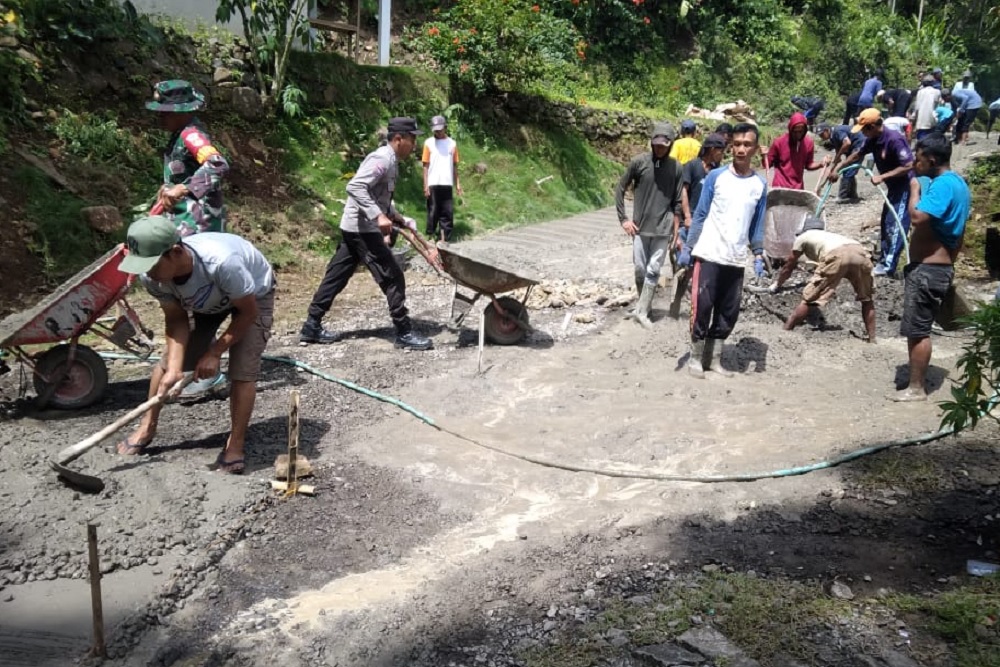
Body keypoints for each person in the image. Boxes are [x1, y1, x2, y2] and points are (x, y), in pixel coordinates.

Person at [115, 216, 276, 474]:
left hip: (251, 296)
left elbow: (248, 313)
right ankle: (147, 426)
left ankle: (235, 444)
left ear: (175, 252)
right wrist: (176, 369)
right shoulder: (152, 278)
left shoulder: (222, 263)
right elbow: (176, 319)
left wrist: (214, 353)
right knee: (167, 364)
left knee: (242, 370)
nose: (148, 272)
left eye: (152, 264)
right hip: (206, 302)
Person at [299, 117, 439, 350]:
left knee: (337, 275)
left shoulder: (391, 161)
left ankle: (311, 325)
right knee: (393, 276)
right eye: (412, 139)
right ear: (398, 139)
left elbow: (377, 195)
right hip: (363, 229)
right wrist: (378, 216)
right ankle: (404, 332)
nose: (414, 145)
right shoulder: (382, 159)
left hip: (354, 226)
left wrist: (395, 215)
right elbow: (354, 186)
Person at [677, 123, 767, 378]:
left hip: (736, 258)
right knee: (702, 308)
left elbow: (757, 223)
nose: (740, 149)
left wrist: (759, 252)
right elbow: (701, 214)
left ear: (755, 149)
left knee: (728, 312)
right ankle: (695, 359)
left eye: (746, 144)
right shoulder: (717, 178)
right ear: (731, 147)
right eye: (736, 144)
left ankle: (713, 359)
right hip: (709, 254)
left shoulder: (759, 185)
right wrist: (690, 247)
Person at [893, 134, 970, 402]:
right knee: (919, 327)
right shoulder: (956, 183)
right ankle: (917, 380)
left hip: (928, 271)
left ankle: (916, 388)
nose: (916, 161)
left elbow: (917, 217)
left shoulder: (943, 186)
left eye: (919, 156)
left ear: (932, 159)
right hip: (936, 268)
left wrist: (914, 189)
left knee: (917, 329)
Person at [615, 121, 683, 329]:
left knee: (653, 269)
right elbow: (620, 187)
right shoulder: (639, 163)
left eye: (664, 145)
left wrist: (677, 232)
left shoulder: (676, 168)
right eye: (656, 144)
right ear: (651, 143)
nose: (659, 148)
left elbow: (678, 201)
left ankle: (643, 311)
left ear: (671, 144)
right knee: (639, 270)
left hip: (663, 228)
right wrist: (623, 219)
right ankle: (644, 305)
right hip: (640, 227)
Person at [831, 109, 914, 277]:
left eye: (864, 129)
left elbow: (908, 165)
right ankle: (884, 259)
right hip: (893, 188)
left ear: (873, 126)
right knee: (885, 222)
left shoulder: (894, 139)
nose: (862, 133)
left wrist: (883, 176)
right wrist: (838, 168)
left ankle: (888, 266)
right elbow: (856, 155)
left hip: (904, 187)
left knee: (895, 224)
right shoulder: (873, 139)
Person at [770, 217, 876, 343]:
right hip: (859, 252)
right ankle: (872, 339)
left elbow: (789, 265)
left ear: (804, 230)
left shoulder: (803, 237)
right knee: (867, 299)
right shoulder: (830, 236)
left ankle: (785, 331)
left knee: (809, 299)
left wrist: (777, 284)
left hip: (837, 255)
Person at [146, 80, 229, 236]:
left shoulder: (191, 135)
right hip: (183, 220)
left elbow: (217, 164)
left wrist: (183, 188)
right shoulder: (179, 135)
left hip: (198, 225)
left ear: (181, 112)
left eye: (166, 113)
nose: (160, 117)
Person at [675, 134, 727, 250]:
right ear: (712, 150)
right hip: (691, 220)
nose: (722, 155)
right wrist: (688, 217)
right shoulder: (692, 166)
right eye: (721, 151)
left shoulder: (717, 171)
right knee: (685, 258)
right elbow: (683, 191)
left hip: (708, 222)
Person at [421, 114, 462, 242]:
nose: (438, 132)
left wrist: (458, 184)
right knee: (433, 211)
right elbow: (425, 166)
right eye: (435, 130)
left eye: (440, 129)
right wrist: (425, 185)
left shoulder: (452, 144)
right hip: (433, 182)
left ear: (445, 127)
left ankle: (444, 238)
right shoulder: (428, 143)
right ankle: (431, 235)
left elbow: (455, 166)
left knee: (447, 212)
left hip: (447, 182)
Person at [766, 112, 826, 190]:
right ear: (790, 129)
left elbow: (809, 165)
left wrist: (821, 164)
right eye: (795, 132)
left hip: (798, 188)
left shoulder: (808, 143)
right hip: (780, 187)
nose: (798, 135)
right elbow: (766, 164)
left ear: (805, 130)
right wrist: (763, 154)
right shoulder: (779, 142)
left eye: (801, 132)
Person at [815, 122, 864, 203]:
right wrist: (831, 171)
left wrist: (836, 167)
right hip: (853, 147)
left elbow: (847, 143)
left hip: (858, 144)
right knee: (850, 169)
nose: (821, 137)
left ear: (827, 130)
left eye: (822, 134)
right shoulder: (833, 138)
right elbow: (838, 159)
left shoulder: (837, 131)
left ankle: (843, 196)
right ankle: (852, 195)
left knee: (848, 170)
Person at [912, 75, 943, 140]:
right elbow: (940, 105)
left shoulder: (920, 92)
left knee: (921, 138)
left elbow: (917, 107)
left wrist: (914, 118)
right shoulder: (937, 92)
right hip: (932, 118)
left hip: (921, 118)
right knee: (931, 138)